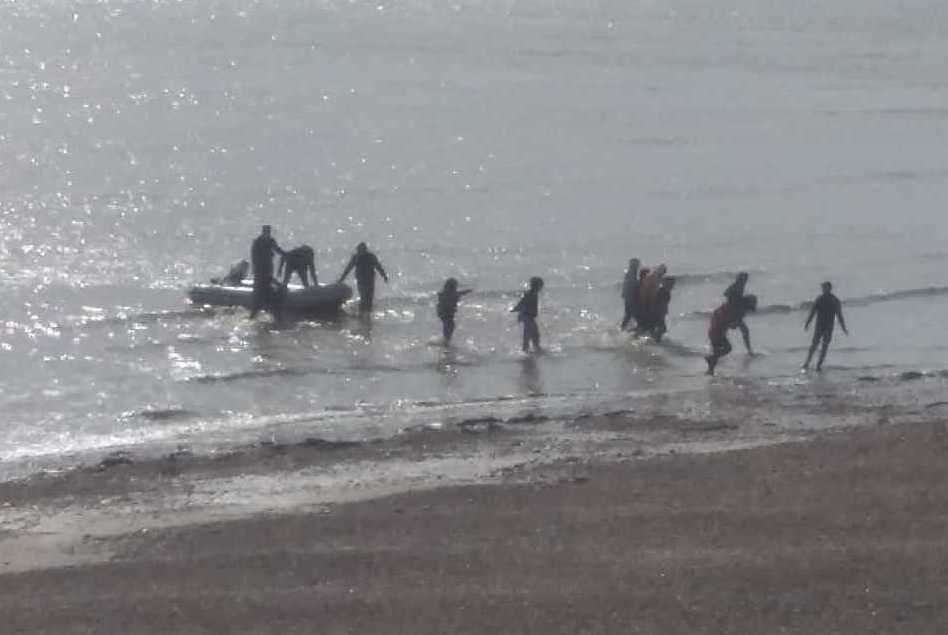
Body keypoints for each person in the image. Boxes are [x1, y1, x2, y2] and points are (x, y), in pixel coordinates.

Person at [705, 294, 757, 375]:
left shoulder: (734, 307)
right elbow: (734, 326)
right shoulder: (738, 311)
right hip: (717, 330)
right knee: (727, 348)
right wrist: (736, 323)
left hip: (715, 327)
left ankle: (710, 371)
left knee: (717, 351)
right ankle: (711, 362)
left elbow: (733, 324)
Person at [803, 281, 848, 371]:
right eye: (823, 288)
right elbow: (812, 312)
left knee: (825, 346)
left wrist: (843, 328)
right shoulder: (819, 299)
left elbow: (839, 315)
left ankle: (818, 365)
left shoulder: (835, 300)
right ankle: (807, 363)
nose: (823, 289)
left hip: (828, 327)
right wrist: (807, 323)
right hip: (819, 326)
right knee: (814, 345)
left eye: (825, 288)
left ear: (829, 288)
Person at [338, 242, 389, 314]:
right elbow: (348, 269)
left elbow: (378, 267)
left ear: (364, 249)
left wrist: (384, 276)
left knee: (369, 299)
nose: (360, 251)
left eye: (361, 250)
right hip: (362, 281)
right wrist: (341, 279)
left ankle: (366, 316)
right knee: (364, 298)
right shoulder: (357, 257)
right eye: (359, 250)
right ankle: (363, 315)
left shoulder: (370, 256)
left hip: (369, 280)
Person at [249, 225, 285, 320]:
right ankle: (256, 310)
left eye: (268, 232)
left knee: (268, 283)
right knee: (260, 290)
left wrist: (286, 254)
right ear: (263, 232)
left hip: (268, 267)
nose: (267, 234)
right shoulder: (257, 242)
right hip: (260, 269)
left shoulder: (271, 241)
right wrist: (255, 267)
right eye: (266, 232)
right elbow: (254, 256)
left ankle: (264, 307)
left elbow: (277, 249)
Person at [722, 272, 754, 356]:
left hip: (736, 311)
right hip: (731, 311)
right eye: (744, 278)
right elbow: (725, 293)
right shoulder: (736, 285)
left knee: (744, 330)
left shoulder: (741, 286)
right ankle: (749, 350)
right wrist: (735, 298)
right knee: (728, 329)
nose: (745, 281)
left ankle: (749, 350)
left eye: (746, 279)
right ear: (739, 279)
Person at [512, 276, 544, 353]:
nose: (541, 288)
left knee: (535, 335)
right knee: (527, 335)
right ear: (536, 286)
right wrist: (515, 309)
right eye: (540, 286)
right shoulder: (529, 294)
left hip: (530, 317)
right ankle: (525, 350)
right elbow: (522, 303)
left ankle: (535, 349)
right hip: (526, 317)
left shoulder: (534, 293)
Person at [437, 278, 472, 344]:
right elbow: (456, 295)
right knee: (449, 325)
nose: (456, 286)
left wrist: (467, 291)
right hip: (445, 313)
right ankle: (445, 340)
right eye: (455, 285)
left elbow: (459, 293)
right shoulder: (448, 294)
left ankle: (446, 340)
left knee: (450, 325)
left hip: (446, 312)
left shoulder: (448, 293)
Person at [649, 276, 676, 342]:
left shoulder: (667, 292)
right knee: (661, 328)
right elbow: (655, 302)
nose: (672, 286)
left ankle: (654, 339)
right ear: (665, 284)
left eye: (672, 284)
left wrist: (665, 311)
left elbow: (665, 304)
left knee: (660, 328)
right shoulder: (661, 292)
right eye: (670, 284)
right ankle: (655, 340)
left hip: (660, 313)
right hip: (656, 313)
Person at [620, 258, 641, 331]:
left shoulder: (631, 273)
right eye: (636, 265)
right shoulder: (631, 273)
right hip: (630, 298)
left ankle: (623, 328)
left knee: (628, 315)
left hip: (628, 297)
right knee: (630, 315)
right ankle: (624, 329)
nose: (637, 266)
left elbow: (626, 286)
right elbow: (631, 285)